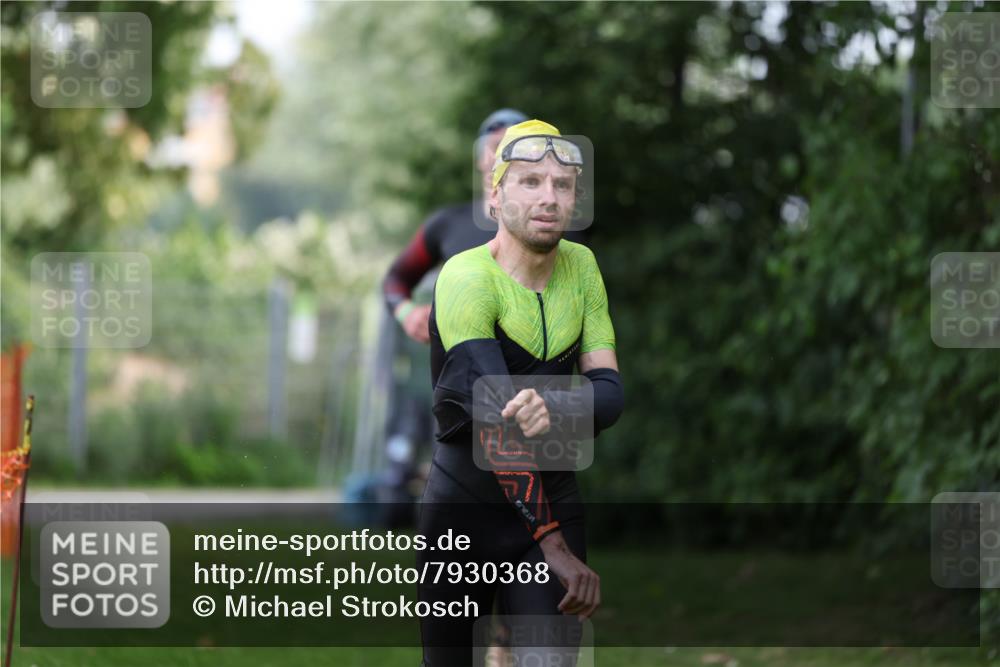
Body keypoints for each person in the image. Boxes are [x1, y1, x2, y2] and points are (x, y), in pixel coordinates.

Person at [417, 119, 624, 666]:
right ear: (496, 195)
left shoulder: (582, 268)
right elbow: (498, 424)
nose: (548, 197)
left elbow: (610, 394)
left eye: (562, 185)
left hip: (554, 497)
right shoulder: (465, 276)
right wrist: (553, 546)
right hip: (462, 517)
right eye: (530, 182)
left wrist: (553, 405)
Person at [378, 110, 588, 505]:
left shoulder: (557, 228)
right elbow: (394, 281)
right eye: (497, 147)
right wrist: (408, 314)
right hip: (462, 394)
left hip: (535, 398)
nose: (505, 154)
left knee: (538, 532)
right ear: (481, 159)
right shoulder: (448, 225)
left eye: (518, 148)